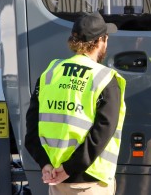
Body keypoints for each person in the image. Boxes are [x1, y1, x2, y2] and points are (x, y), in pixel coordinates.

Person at [25, 11, 126, 195]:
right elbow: (102, 131)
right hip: (90, 183)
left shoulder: (50, 72)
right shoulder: (105, 78)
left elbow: (32, 125)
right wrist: (69, 169)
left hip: (56, 179)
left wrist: (45, 163)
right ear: (100, 41)